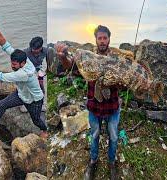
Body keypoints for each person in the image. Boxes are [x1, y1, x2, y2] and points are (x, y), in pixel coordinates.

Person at [55, 25, 120, 180]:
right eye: (100, 38)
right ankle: (93, 160)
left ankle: (111, 162)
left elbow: (124, 83)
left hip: (112, 107)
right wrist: (63, 57)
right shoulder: (88, 57)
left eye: (105, 38)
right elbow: (71, 65)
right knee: (94, 135)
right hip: (94, 107)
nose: (103, 41)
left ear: (109, 39)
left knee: (114, 137)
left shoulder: (117, 59)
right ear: (96, 40)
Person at [0, 19, 48, 139]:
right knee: (1, 104)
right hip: (21, 94)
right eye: (12, 63)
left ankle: (45, 130)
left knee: (36, 120)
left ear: (23, 63)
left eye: (15, 65)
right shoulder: (22, 57)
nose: (12, 66)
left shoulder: (24, 73)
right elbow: (4, 44)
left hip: (34, 100)